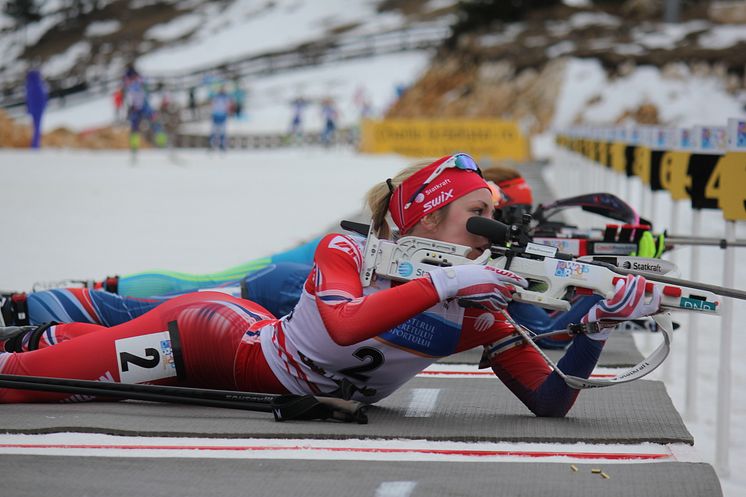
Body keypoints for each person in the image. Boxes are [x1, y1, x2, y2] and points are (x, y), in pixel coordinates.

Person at [0, 154, 660, 413]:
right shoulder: (347, 248)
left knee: (74, 362)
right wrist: (449, 281)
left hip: (238, 378)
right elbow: (344, 324)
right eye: (476, 216)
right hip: (208, 342)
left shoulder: (478, 306)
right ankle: (49, 332)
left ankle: (58, 330)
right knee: (24, 384)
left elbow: (548, 399)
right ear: (426, 217)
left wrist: (595, 329)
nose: (490, 231)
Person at [25, 69, 47, 149]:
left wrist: (29, 109)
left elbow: (29, 99)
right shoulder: (39, 84)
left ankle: (35, 145)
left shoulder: (30, 85)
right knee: (37, 127)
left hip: (35, 109)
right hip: (38, 109)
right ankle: (35, 145)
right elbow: (43, 97)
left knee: (35, 127)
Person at [209, 87, 231, 151]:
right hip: (216, 115)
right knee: (214, 130)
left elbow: (228, 106)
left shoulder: (226, 98)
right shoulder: (216, 97)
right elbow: (212, 105)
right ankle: (212, 144)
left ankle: (222, 144)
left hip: (222, 115)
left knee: (222, 131)